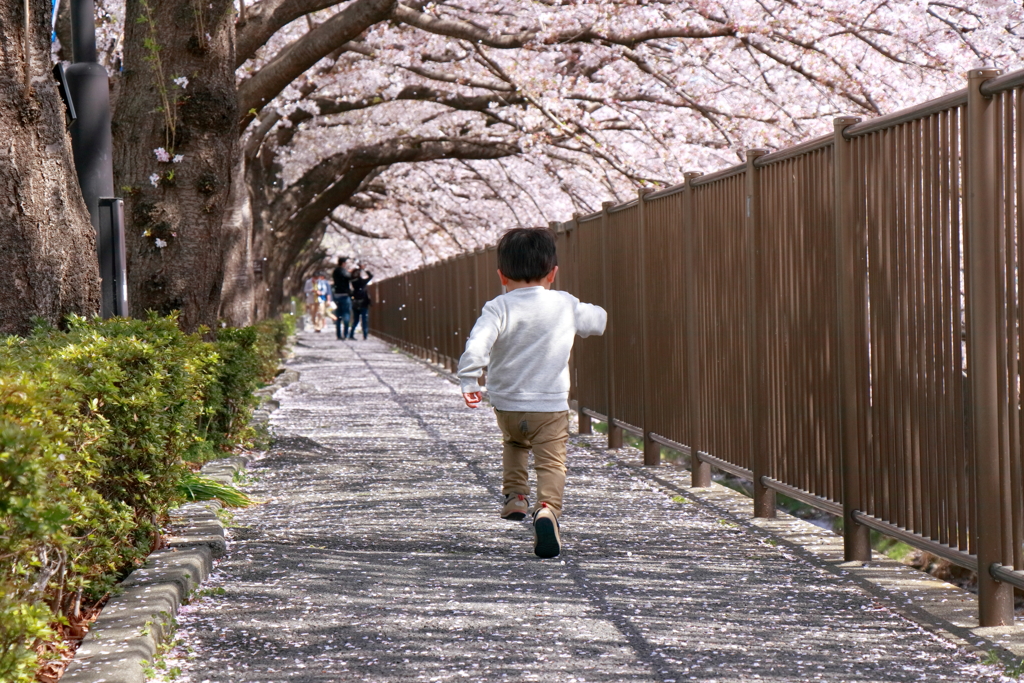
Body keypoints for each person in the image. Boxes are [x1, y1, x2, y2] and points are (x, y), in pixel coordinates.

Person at [457, 227, 606, 558]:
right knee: (552, 462)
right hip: (549, 405)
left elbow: (477, 344)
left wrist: (469, 380)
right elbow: (597, 322)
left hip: (507, 405)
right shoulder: (564, 304)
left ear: (501, 276)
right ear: (553, 273)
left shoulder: (498, 307)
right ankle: (547, 510)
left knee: (514, 444)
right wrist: (594, 311)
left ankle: (516, 497)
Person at [349, 265, 373, 340]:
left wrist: (359, 269)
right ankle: (365, 335)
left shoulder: (352, 281)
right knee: (364, 320)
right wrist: (363, 269)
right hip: (363, 302)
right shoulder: (362, 282)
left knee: (356, 320)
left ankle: (351, 334)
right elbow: (371, 276)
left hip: (355, 302)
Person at [332, 256, 354, 340]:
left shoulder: (335, 271)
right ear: (343, 263)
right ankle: (345, 334)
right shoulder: (343, 271)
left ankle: (338, 334)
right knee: (346, 314)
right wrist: (351, 272)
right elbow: (349, 277)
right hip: (344, 295)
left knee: (338, 315)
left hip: (337, 295)